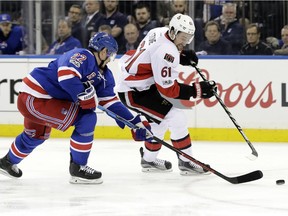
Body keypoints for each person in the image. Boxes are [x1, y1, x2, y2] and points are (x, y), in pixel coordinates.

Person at [0, 32, 152, 184]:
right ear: (104, 51)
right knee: (86, 118)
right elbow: (66, 76)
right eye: (110, 56)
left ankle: (6, 162)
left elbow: (110, 102)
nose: (109, 60)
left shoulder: (105, 76)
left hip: (40, 100)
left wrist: (134, 122)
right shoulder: (82, 56)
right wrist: (83, 95)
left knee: (36, 135)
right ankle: (78, 167)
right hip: (37, 98)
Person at [116, 13, 217, 175]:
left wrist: (181, 55)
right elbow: (168, 90)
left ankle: (148, 160)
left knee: (160, 121)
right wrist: (197, 90)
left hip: (139, 84)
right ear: (173, 31)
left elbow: (152, 54)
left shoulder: (160, 31)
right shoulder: (167, 52)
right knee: (175, 117)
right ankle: (187, 161)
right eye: (182, 37)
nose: (185, 42)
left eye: (188, 38)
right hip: (134, 91)